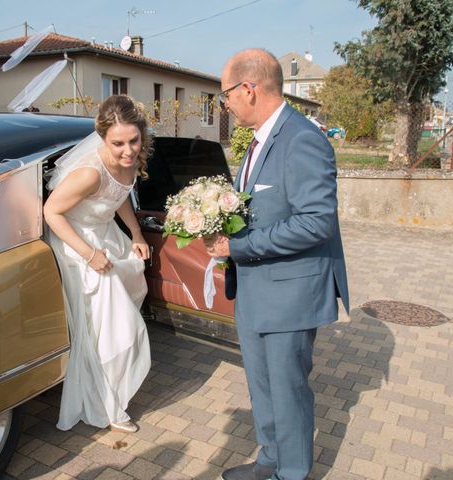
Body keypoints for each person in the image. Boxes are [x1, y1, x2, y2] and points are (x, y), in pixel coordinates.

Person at [205, 49, 349, 480]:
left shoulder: (302, 137)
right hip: (254, 288)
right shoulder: (259, 139)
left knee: (287, 393)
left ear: (248, 89)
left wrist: (237, 248)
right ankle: (270, 460)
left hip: (290, 292)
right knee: (263, 387)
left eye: (225, 94)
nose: (224, 103)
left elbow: (316, 222)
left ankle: (293, 473)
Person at [43, 95, 152, 433]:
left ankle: (110, 388)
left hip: (104, 233)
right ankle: (108, 405)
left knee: (133, 288)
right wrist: (90, 255)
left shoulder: (132, 159)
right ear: (103, 138)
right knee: (118, 328)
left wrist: (136, 233)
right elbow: (51, 213)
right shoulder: (89, 173)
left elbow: (117, 196)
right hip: (75, 240)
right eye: (117, 143)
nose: (128, 151)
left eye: (134, 140)